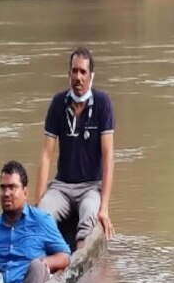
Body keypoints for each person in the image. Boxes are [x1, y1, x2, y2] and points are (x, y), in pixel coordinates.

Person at [36, 47, 116, 248]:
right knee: (43, 215)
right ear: (69, 74)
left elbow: (108, 158)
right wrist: (38, 201)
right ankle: (50, 259)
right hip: (62, 186)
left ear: (91, 76)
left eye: (83, 72)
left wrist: (104, 208)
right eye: (75, 71)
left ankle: (78, 263)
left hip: (91, 187)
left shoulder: (102, 103)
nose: (78, 77)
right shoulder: (58, 104)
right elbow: (46, 155)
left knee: (89, 215)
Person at [0, 161, 71, 283]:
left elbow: (65, 256)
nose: (6, 193)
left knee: (37, 267)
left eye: (12, 187)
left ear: (25, 192)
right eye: (3, 188)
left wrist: (44, 262)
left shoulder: (41, 221)